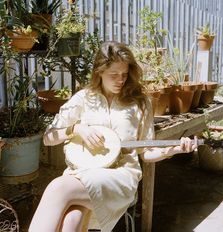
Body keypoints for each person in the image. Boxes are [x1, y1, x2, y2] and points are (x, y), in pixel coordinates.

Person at [29, 41, 197, 232]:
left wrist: (172, 150)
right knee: (71, 221)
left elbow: (146, 153)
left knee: (57, 189)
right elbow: (48, 138)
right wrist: (76, 129)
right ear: (99, 72)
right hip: (81, 171)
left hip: (120, 175)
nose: (121, 80)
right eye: (114, 75)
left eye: (125, 74)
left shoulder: (140, 103)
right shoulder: (84, 98)